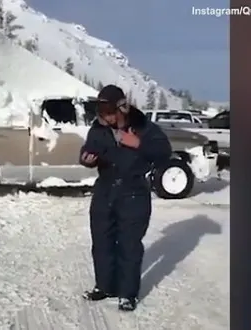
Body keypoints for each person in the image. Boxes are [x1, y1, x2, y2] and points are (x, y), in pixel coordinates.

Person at [79, 85, 172, 311]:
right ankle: (104, 286)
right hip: (105, 191)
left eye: (111, 113)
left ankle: (127, 294)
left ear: (123, 107)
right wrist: (86, 158)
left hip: (133, 193)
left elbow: (164, 153)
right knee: (102, 242)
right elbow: (88, 149)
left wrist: (139, 144)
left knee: (129, 246)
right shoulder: (98, 128)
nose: (107, 118)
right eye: (103, 114)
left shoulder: (144, 128)